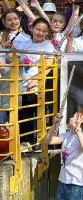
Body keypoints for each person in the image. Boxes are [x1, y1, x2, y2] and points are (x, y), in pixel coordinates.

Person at [18, 17, 55, 151]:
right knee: (22, 114)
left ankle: (33, 143)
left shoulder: (48, 46)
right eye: (38, 29)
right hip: (21, 83)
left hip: (36, 85)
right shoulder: (24, 44)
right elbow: (14, 59)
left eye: (43, 31)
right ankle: (23, 142)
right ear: (32, 28)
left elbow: (48, 67)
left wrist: (34, 81)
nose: (40, 33)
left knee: (32, 113)